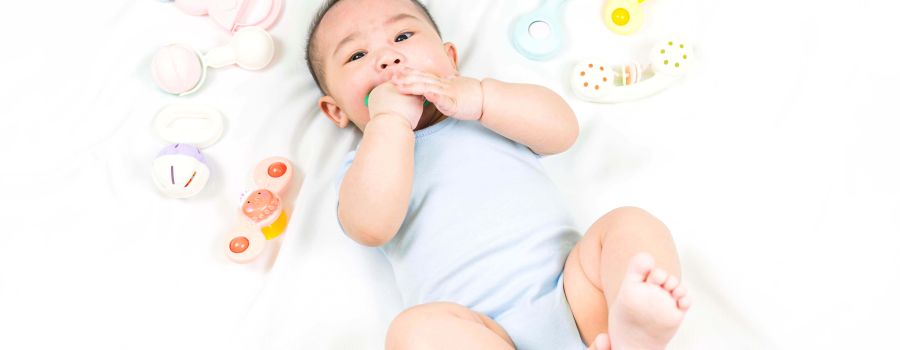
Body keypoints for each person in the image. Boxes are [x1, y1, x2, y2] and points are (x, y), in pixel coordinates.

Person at [305, 0, 691, 348]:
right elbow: (369, 225)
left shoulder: (491, 114)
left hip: (576, 297)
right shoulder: (362, 166)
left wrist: (479, 97)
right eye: (356, 55)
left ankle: (633, 331)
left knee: (629, 224)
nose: (388, 59)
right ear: (336, 110)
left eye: (403, 35)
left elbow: (563, 130)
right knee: (411, 331)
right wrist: (389, 122)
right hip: (476, 330)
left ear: (449, 58)